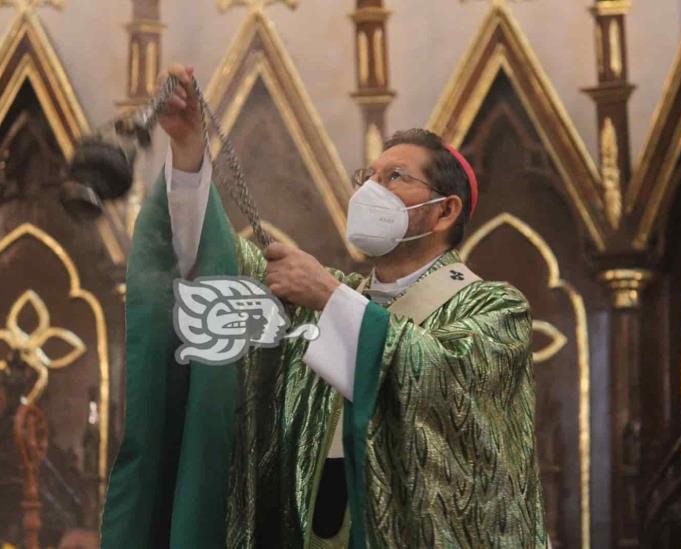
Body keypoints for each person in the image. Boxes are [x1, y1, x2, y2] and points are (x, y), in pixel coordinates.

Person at [100, 64, 546, 548]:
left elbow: (444, 381)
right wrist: (189, 153)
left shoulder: (494, 309)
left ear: (445, 210)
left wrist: (328, 296)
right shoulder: (324, 299)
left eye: (394, 177)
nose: (371, 191)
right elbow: (214, 270)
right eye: (367, 176)